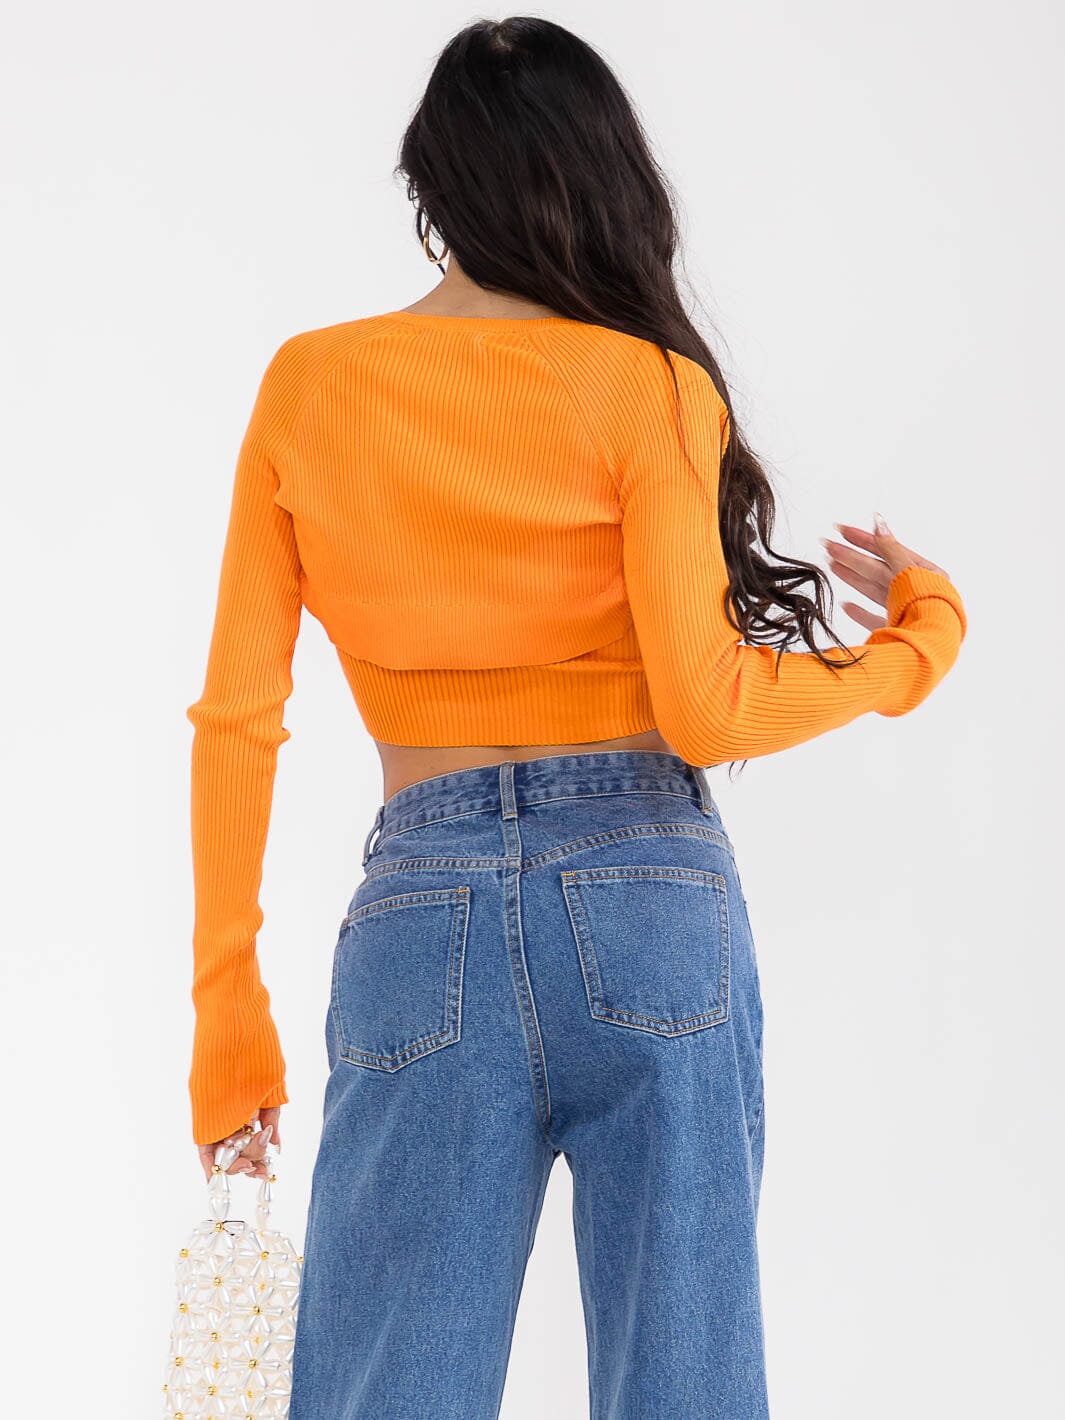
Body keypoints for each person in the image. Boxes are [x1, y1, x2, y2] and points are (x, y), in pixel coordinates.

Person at [183, 16, 967, 1419]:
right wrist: (914, 649)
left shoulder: (312, 383)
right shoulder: (646, 386)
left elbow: (239, 716)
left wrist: (226, 1015)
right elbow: (707, 708)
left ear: (430, 179)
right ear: (605, 179)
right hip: (648, 897)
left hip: (422, 914)